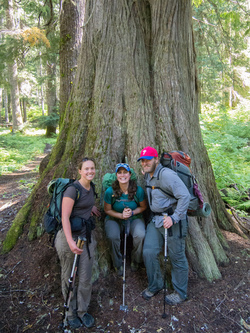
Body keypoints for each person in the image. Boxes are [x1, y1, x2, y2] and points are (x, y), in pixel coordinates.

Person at [137, 146, 191, 305]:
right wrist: (147, 171)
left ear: (156, 160)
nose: (145, 163)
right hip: (156, 221)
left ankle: (180, 293)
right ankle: (156, 285)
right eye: (142, 161)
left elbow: (185, 196)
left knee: (177, 257)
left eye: (148, 160)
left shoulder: (167, 175)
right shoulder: (149, 174)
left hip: (172, 221)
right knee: (148, 252)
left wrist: (174, 218)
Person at [55, 157, 100, 329]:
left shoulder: (91, 187)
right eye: (86, 169)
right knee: (69, 278)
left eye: (92, 168)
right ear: (79, 171)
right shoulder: (73, 190)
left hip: (86, 237)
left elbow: (85, 205)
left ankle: (82, 311)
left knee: (86, 278)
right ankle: (70, 313)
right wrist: (70, 242)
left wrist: (91, 209)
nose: (90, 171)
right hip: (69, 239)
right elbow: (64, 217)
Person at [104, 163, 147, 275]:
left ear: (130, 174)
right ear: (116, 175)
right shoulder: (110, 191)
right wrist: (121, 216)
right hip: (114, 219)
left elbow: (143, 207)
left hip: (135, 218)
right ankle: (117, 264)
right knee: (112, 236)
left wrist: (132, 212)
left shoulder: (138, 191)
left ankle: (136, 260)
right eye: (120, 172)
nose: (122, 175)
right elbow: (107, 210)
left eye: (125, 172)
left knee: (140, 235)